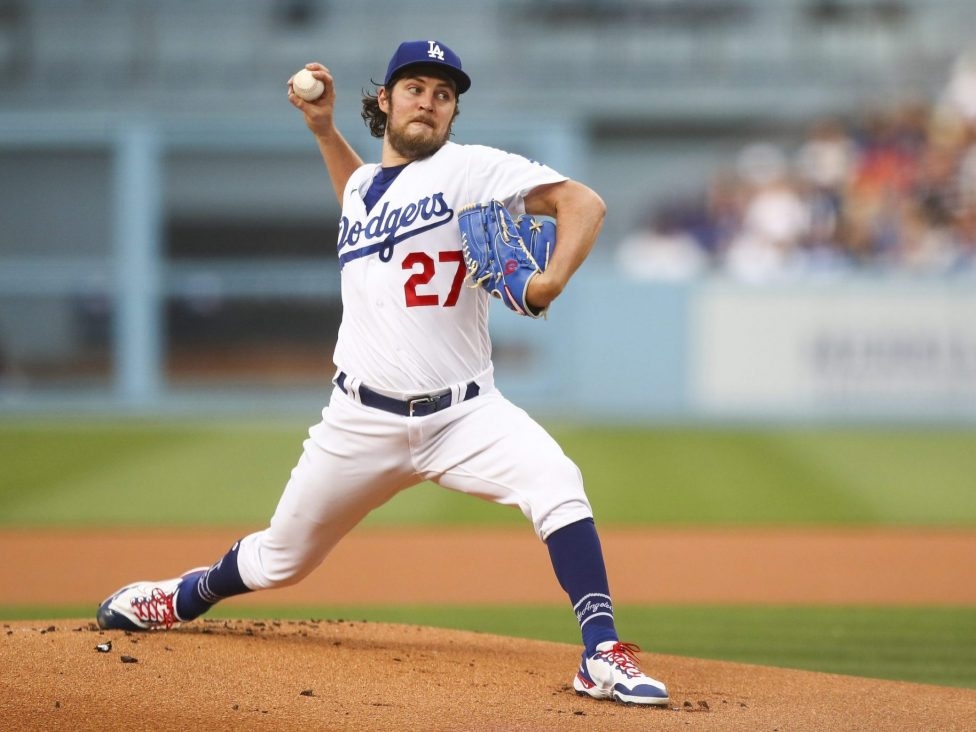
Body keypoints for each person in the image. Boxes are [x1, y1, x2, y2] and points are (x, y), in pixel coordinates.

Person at [96, 39, 669, 707]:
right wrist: (323, 131)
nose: (429, 100)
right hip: (360, 420)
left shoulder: (471, 169)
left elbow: (585, 204)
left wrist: (546, 283)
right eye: (416, 87)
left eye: (444, 94)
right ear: (385, 100)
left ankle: (601, 651)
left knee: (558, 482)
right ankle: (180, 597)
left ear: (453, 113)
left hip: (465, 414)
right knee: (281, 560)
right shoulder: (367, 186)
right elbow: (358, 200)